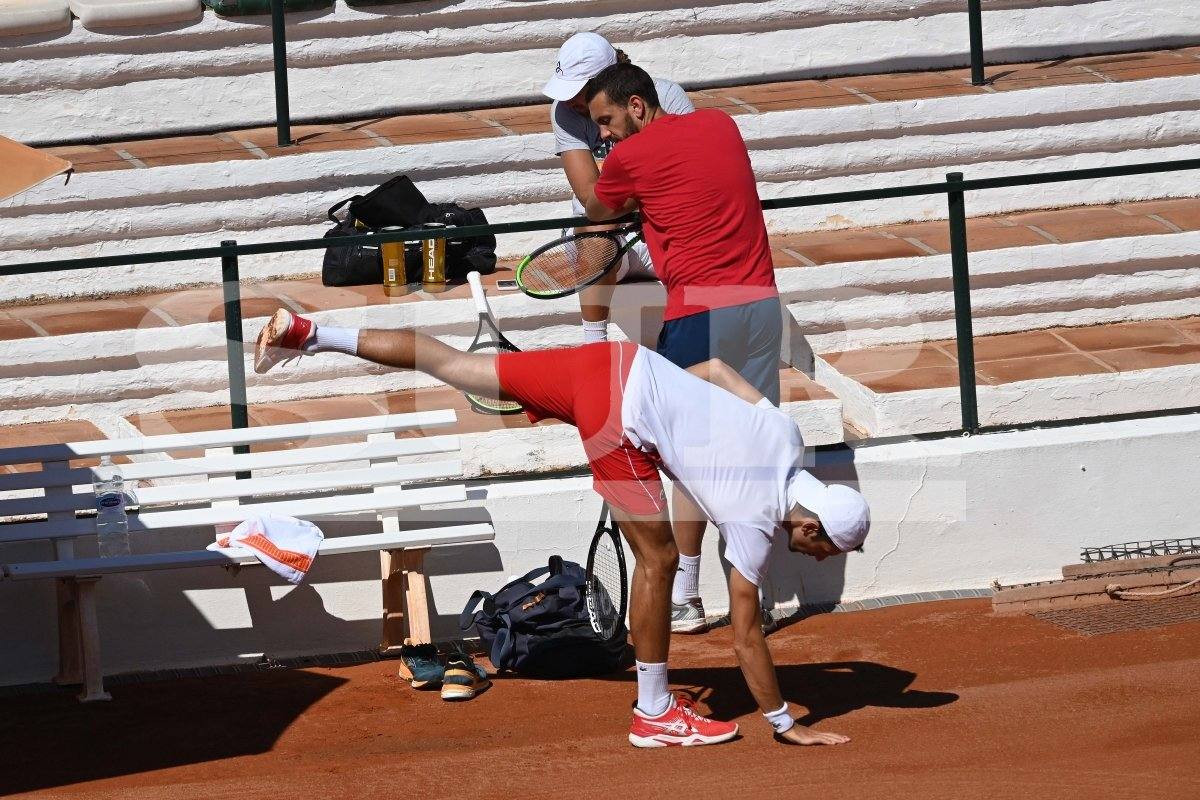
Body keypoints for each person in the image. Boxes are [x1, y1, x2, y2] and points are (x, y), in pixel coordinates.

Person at [254, 308, 870, 748]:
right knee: (657, 563)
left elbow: (708, 370)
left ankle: (309, 333)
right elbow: (744, 638)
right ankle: (653, 712)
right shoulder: (752, 524)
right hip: (618, 417)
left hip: (614, 363)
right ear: (811, 526)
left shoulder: (786, 436)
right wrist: (788, 722)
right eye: (826, 550)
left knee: (453, 364)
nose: (819, 560)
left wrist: (672, 437)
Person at [579, 62, 785, 634]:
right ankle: (755, 594)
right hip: (762, 308)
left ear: (637, 106)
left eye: (607, 120)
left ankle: (687, 596)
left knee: (691, 458)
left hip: (701, 315)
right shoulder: (722, 125)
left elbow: (598, 208)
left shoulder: (626, 160)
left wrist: (623, 189)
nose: (605, 135)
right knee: (750, 454)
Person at [542, 32, 694, 345]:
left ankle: (700, 340)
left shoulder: (668, 96)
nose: (569, 101)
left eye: (579, 90)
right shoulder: (564, 112)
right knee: (597, 224)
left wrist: (632, 196)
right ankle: (594, 345)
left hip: (662, 233)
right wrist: (648, 190)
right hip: (602, 240)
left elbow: (687, 181)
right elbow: (591, 199)